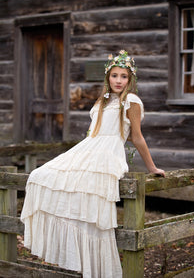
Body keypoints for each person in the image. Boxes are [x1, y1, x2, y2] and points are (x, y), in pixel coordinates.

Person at [21, 50, 165, 278]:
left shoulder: (131, 101)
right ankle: (74, 254)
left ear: (131, 79)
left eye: (124, 76)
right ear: (108, 77)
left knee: (93, 202)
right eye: (115, 75)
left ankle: (96, 267)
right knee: (40, 176)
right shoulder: (103, 101)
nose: (118, 80)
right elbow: (93, 134)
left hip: (108, 153)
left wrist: (152, 167)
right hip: (89, 148)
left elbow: (136, 137)